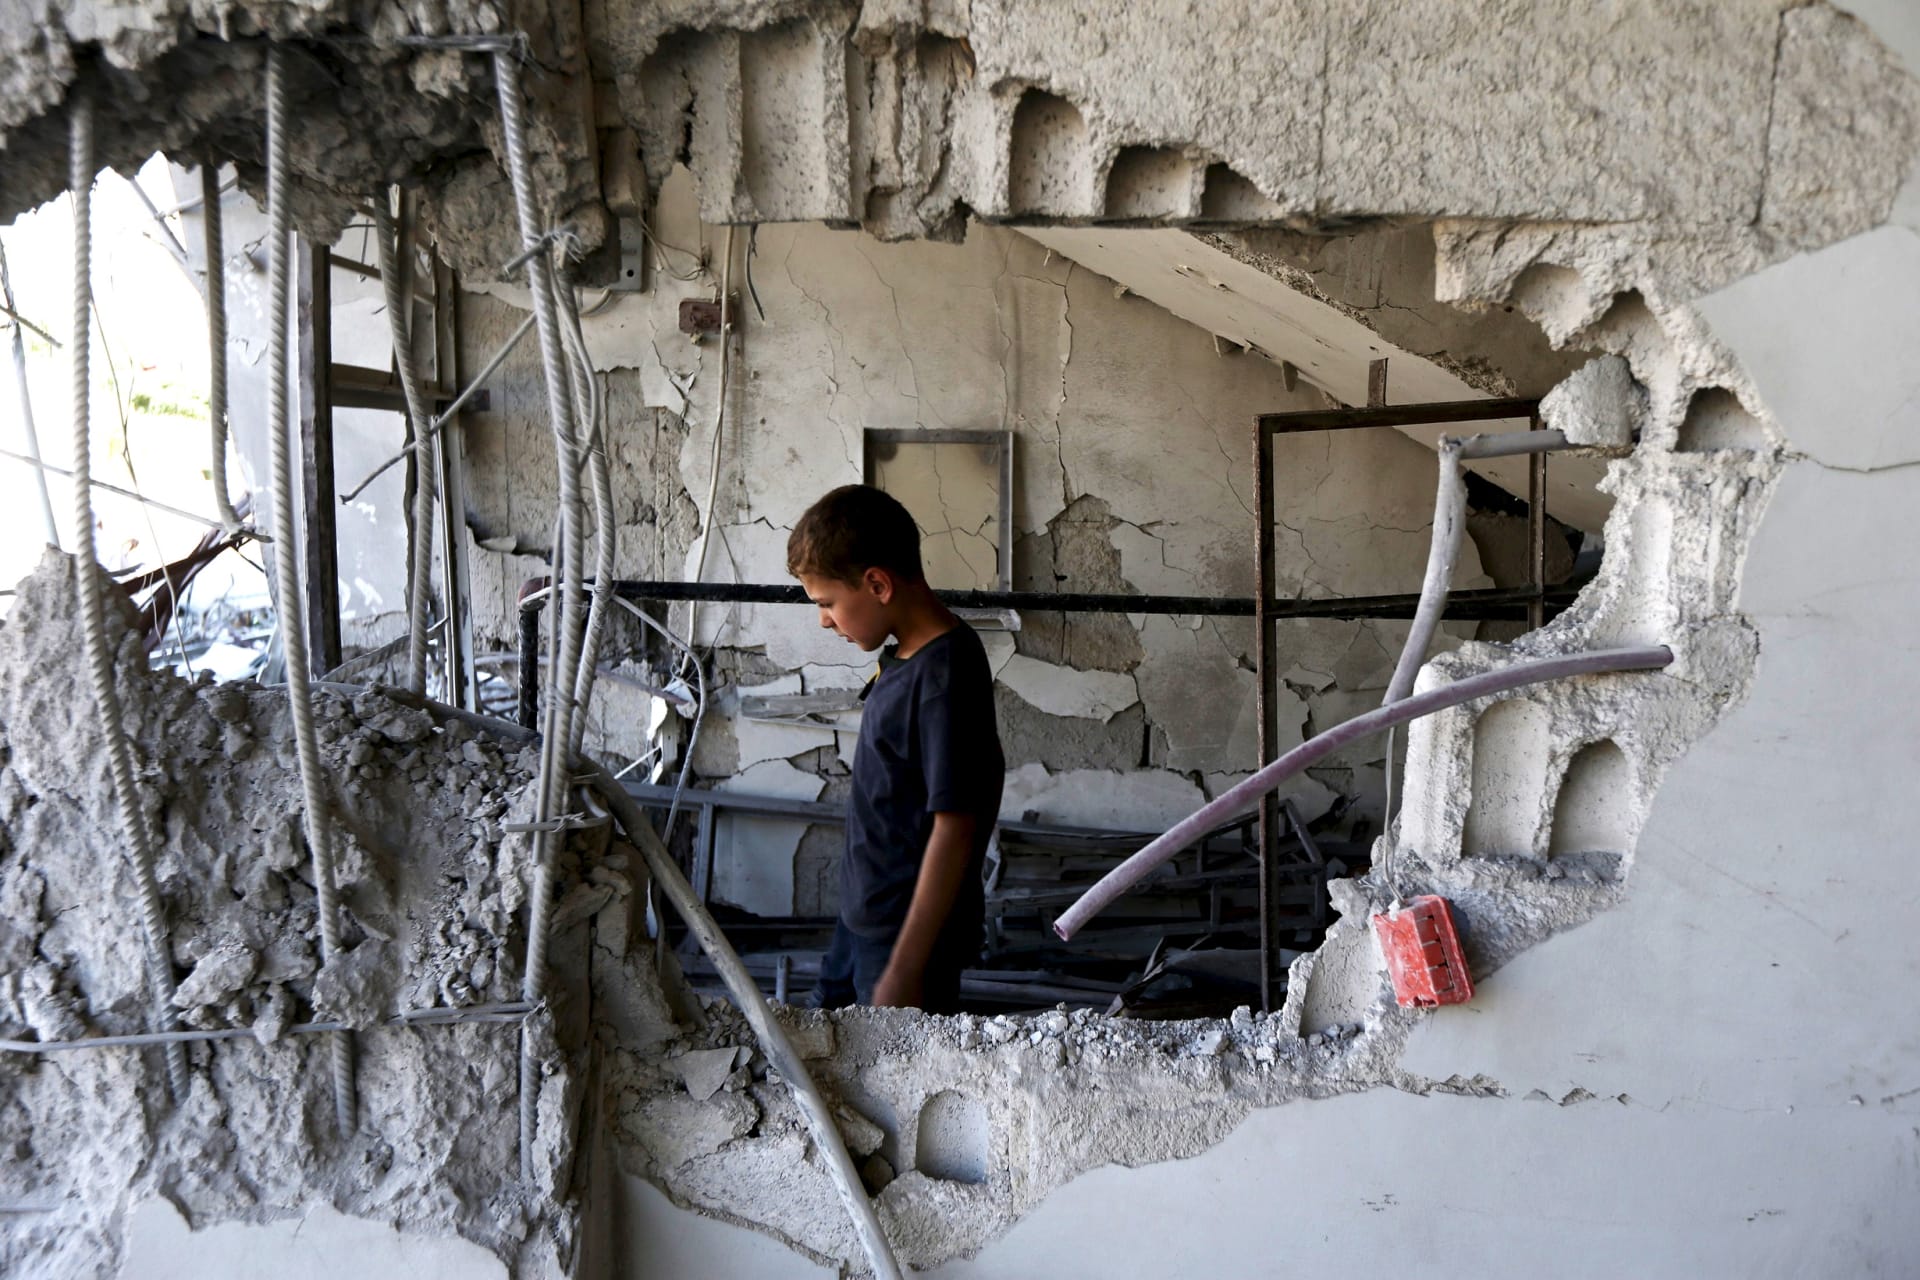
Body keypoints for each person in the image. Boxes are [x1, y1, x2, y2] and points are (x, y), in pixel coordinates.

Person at [786, 484, 1004, 1012]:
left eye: (827, 603)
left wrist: (905, 969)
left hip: (905, 941)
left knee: (886, 1059)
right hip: (864, 917)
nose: (823, 620)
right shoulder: (905, 655)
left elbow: (956, 826)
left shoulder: (945, 675)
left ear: (878, 584)